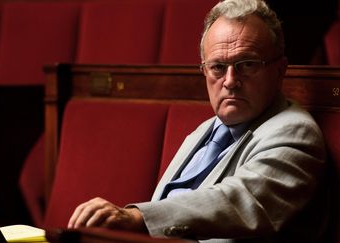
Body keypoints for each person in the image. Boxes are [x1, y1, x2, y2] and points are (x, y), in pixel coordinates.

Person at [67, 0, 329, 241]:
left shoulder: (294, 131)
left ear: (280, 70)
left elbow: (241, 201)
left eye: (247, 64)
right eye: (217, 67)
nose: (229, 81)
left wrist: (137, 217)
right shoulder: (207, 129)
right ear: (203, 70)